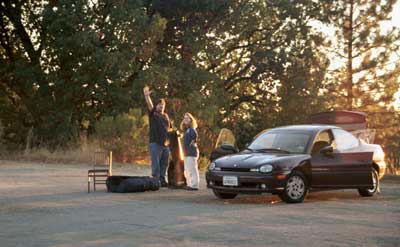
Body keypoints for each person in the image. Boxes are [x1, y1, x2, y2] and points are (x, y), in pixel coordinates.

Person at [143, 86, 171, 187]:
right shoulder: (153, 114)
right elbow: (150, 105)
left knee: (164, 163)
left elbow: (169, 129)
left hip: (166, 144)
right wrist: (147, 96)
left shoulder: (166, 116)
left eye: (163, 105)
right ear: (157, 106)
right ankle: (155, 180)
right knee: (156, 164)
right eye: (159, 105)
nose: (161, 107)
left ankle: (162, 180)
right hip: (155, 143)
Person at [180, 112, 199, 191]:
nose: (186, 119)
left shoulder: (192, 130)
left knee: (192, 169)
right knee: (187, 169)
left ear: (191, 120)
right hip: (186, 153)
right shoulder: (186, 130)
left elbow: (195, 138)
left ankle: (194, 185)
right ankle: (189, 184)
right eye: (184, 118)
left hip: (191, 152)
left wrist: (191, 145)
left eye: (187, 118)